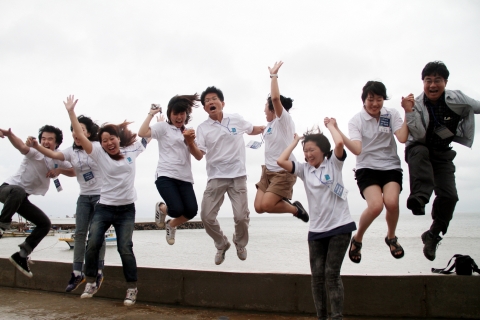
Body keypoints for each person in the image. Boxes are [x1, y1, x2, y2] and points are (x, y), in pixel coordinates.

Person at [63, 95, 147, 306]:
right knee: (92, 243)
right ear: (100, 144)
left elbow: (147, 135)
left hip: (127, 209)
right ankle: (91, 280)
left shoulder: (132, 150)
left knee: (124, 247)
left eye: (112, 138)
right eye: (104, 140)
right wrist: (71, 112)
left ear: (119, 138)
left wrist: (153, 116)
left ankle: (131, 288)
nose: (109, 143)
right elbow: (81, 138)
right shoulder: (99, 153)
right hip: (105, 206)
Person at [277, 118, 356, 320]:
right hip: (316, 231)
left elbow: (339, 144)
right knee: (317, 277)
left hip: (340, 227)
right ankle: (321, 317)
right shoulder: (305, 170)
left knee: (331, 273)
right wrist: (296, 142)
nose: (308, 154)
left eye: (311, 150)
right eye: (305, 151)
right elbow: (281, 161)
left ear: (322, 150)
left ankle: (336, 316)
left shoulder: (334, 164)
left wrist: (331, 126)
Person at [405, 61, 480, 261]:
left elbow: (477, 106)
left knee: (450, 196)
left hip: (442, 152)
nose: (432, 85)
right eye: (428, 80)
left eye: (437, 80)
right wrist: (409, 111)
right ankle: (419, 199)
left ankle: (433, 235)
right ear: (423, 83)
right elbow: (419, 135)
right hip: (419, 148)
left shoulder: (457, 98)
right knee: (420, 151)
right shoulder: (417, 104)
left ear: (445, 82)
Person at [335, 81, 412, 263]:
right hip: (367, 167)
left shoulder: (391, 114)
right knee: (376, 206)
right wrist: (337, 130)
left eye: (379, 99)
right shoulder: (356, 120)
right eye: (371, 99)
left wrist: (408, 111)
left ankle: (391, 237)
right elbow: (357, 149)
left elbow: (402, 137)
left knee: (392, 203)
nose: (375, 104)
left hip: (391, 165)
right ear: (364, 100)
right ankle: (358, 238)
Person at [28, 115, 107, 292]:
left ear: (88, 132)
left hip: (101, 196)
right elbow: (56, 156)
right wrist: (39, 148)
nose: (76, 133)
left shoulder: (95, 147)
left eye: (81, 130)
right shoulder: (70, 152)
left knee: (96, 235)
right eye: (74, 130)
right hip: (84, 197)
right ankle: (77, 272)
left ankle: (98, 270)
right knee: (79, 233)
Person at [197, 86, 264, 265]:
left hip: (238, 176)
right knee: (206, 216)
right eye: (207, 101)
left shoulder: (236, 119)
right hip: (216, 176)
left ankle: (240, 243)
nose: (210, 102)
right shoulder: (202, 128)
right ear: (205, 108)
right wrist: (189, 141)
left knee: (241, 217)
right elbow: (199, 152)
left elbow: (252, 129)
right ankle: (221, 244)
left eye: (214, 99)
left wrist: (266, 128)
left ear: (222, 103)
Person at [0, 125, 74, 277]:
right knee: (18, 191)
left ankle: (21, 255)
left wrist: (59, 171)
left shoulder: (58, 158)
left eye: (50, 139)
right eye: (43, 139)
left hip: (21, 199)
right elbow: (21, 146)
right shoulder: (34, 151)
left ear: (57, 143)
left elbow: (73, 170)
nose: (46, 142)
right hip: (8, 191)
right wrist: (9, 134)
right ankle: (2, 226)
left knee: (45, 224)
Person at [138, 95, 203, 245]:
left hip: (185, 177)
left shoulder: (189, 132)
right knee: (175, 209)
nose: (179, 117)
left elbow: (198, 156)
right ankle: (161, 208)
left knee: (191, 211)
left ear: (186, 115)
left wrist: (190, 141)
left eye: (182, 114)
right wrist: (151, 114)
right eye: (175, 114)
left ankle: (171, 225)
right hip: (165, 175)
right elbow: (142, 133)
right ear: (169, 114)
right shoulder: (163, 128)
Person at [253, 61, 308, 222]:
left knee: (268, 205)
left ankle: (296, 210)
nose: (264, 110)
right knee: (259, 207)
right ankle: (282, 200)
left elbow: (275, 98)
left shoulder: (284, 120)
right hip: (267, 171)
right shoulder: (270, 125)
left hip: (283, 173)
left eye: (265, 107)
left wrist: (273, 76)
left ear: (273, 108)